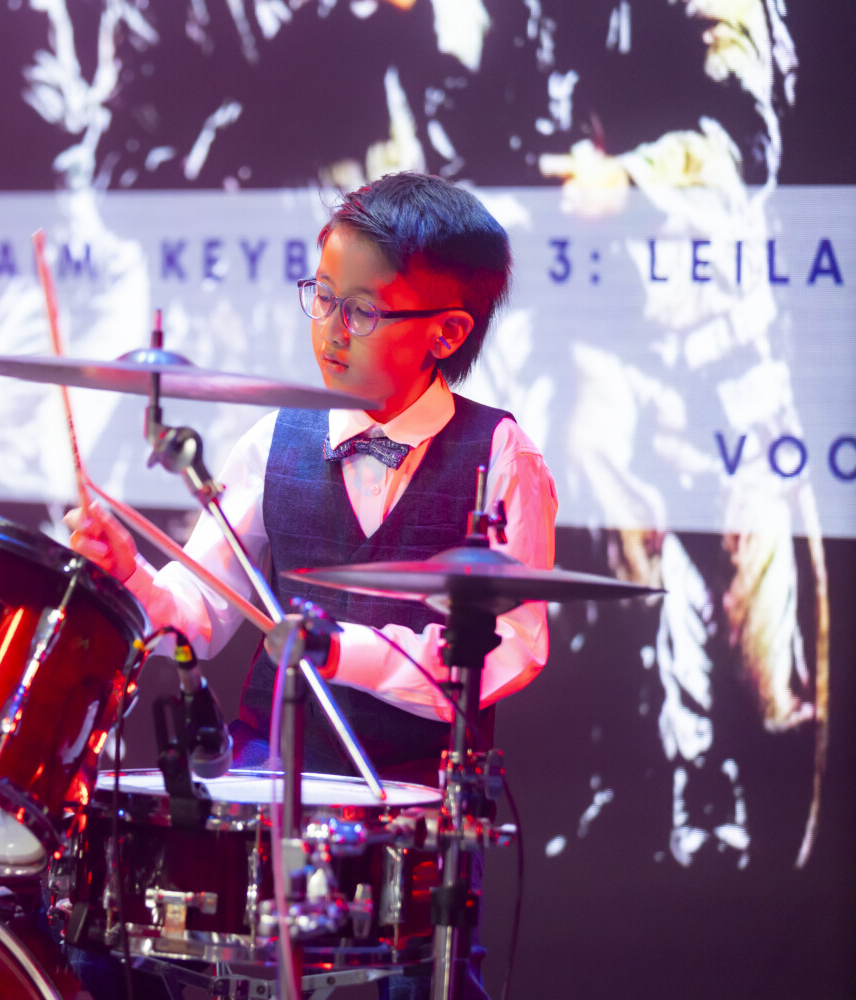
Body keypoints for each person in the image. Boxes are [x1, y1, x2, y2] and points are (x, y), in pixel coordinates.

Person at [64, 171, 557, 999]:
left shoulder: (502, 456)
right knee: (101, 945)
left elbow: (512, 648)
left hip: (413, 808)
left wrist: (342, 650)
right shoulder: (277, 438)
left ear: (445, 332)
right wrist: (134, 580)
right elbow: (201, 616)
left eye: (362, 311)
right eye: (321, 297)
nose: (330, 330)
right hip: (270, 781)